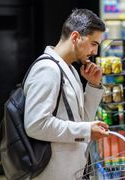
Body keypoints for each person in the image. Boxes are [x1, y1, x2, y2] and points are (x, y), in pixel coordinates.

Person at [23, 9, 109, 179]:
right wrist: (86, 130)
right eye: (93, 44)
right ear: (76, 37)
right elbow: (35, 124)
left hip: (69, 170)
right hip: (51, 172)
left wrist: (93, 85)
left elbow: (81, 120)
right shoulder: (47, 69)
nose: (95, 52)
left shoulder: (69, 69)